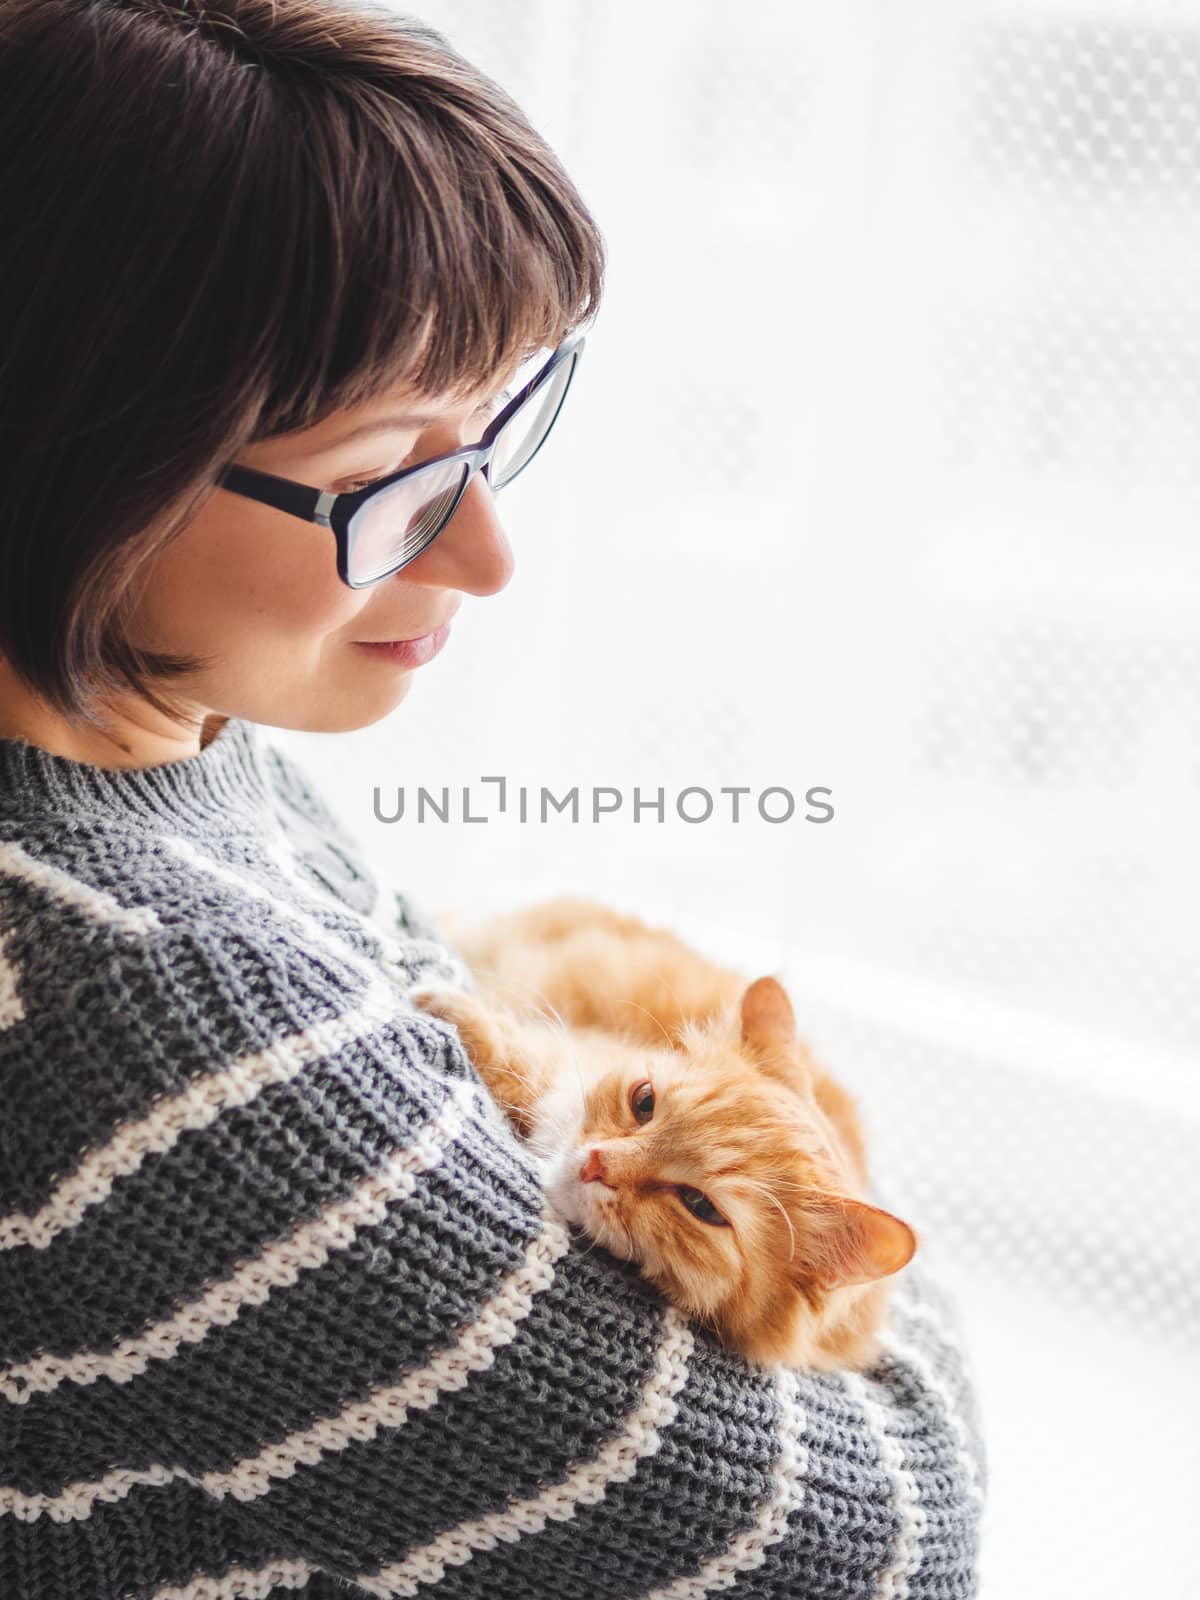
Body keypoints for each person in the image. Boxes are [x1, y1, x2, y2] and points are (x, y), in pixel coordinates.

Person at [0, 3, 987, 1597]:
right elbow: (878, 1547)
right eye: (391, 473)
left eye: (502, 428)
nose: (486, 553)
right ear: (84, 451)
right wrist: (852, 1195)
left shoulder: (179, 738)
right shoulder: (152, 1011)